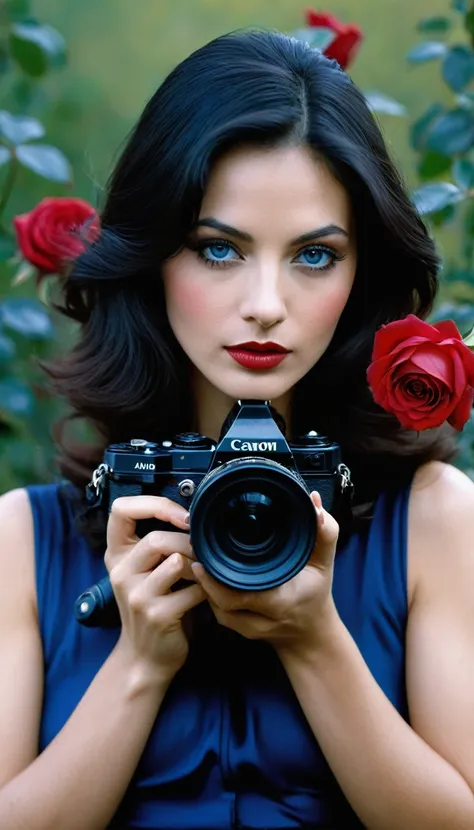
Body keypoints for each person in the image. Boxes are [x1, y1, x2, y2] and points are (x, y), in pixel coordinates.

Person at [0, 28, 473, 830]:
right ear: (151, 258)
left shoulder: (430, 516)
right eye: (218, 249)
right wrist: (141, 663)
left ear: (363, 272)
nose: (265, 303)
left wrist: (316, 640)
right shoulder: (25, 538)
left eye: (315, 256)